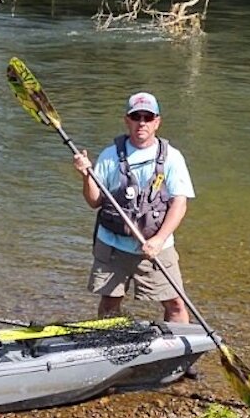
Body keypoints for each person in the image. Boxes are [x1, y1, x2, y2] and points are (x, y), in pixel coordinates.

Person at [71, 91, 195, 325]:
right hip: (112, 245)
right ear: (127, 120)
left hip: (156, 246)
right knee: (109, 303)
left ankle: (177, 354)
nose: (142, 123)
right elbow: (94, 201)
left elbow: (179, 203)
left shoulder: (172, 158)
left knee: (175, 303)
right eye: (136, 116)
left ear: (157, 121)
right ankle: (110, 349)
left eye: (147, 117)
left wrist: (159, 239)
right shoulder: (109, 156)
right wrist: (86, 176)